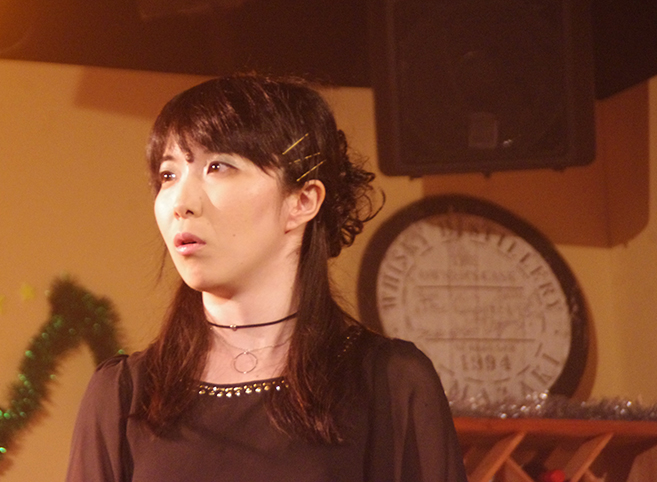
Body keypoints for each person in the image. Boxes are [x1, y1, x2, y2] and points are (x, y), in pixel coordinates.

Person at [65, 74, 468, 481]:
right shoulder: (122, 396)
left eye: (218, 167)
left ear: (302, 200)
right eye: (168, 175)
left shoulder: (390, 384)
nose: (180, 203)